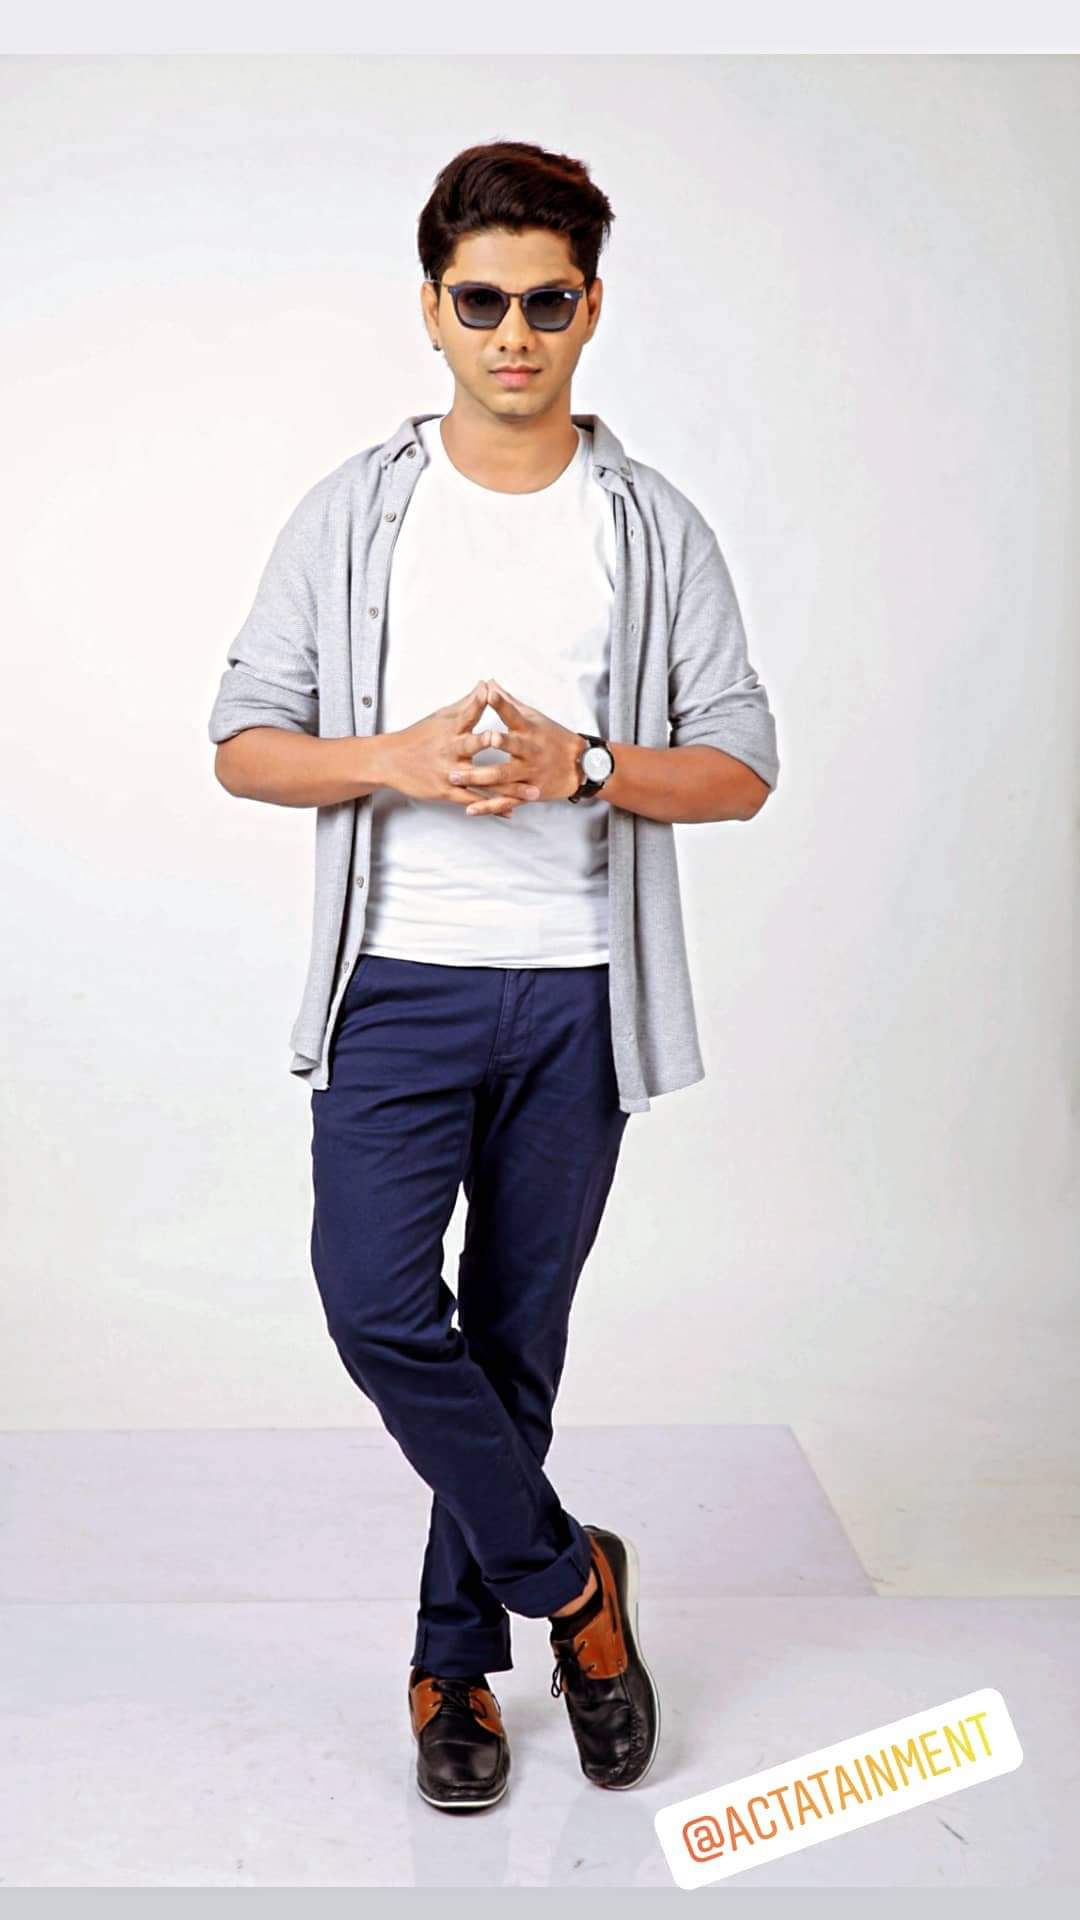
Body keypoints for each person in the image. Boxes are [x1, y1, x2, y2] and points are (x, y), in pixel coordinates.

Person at [208, 139, 780, 1814]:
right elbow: (242, 741)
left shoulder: (648, 526)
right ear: (432, 311)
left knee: (517, 1344)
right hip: (399, 983)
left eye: (544, 302)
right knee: (380, 1308)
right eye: (481, 303)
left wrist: (581, 764)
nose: (512, 335)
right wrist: (387, 756)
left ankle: (452, 1666)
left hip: (578, 994)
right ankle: (575, 1593)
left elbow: (741, 764)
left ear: (591, 308)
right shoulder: (359, 512)